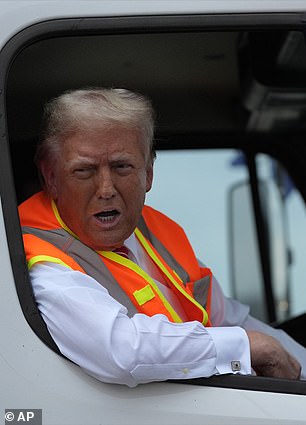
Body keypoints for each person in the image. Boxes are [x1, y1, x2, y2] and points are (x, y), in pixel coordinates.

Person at [19, 87, 305, 387]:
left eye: (121, 166)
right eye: (84, 171)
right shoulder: (40, 258)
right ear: (51, 178)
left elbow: (231, 319)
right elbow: (122, 352)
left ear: (149, 173)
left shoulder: (155, 233)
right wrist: (243, 346)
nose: (105, 189)